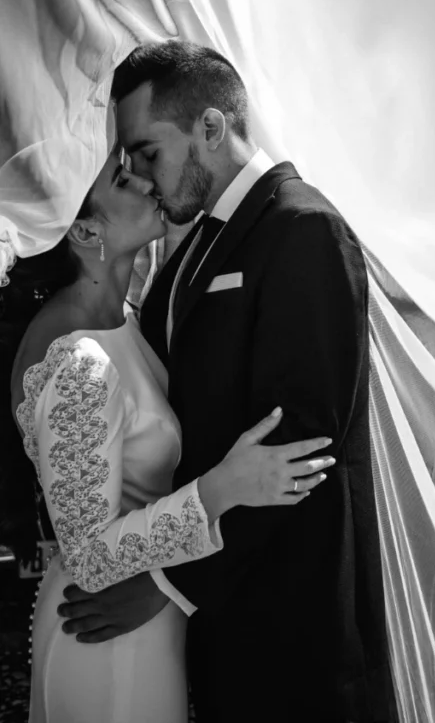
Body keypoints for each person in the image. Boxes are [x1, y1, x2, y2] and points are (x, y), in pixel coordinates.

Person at [59, 41, 396, 722]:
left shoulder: (302, 229)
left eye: (149, 152)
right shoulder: (197, 246)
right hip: (217, 636)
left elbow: (302, 449)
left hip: (292, 638)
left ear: (210, 128)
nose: (145, 178)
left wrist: (169, 584)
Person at [3, 150, 335, 723]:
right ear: (85, 229)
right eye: (122, 178)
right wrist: (221, 491)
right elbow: (89, 557)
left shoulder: (125, 319)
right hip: (104, 634)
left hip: (141, 626)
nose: (147, 180)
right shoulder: (80, 362)